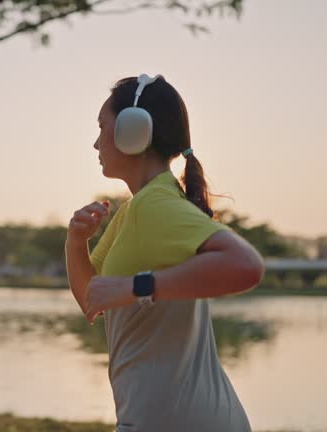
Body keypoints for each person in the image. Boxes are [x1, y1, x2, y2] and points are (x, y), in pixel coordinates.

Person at [65, 74, 264, 431]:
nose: (96, 143)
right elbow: (91, 298)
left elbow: (245, 266)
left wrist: (137, 287)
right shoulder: (135, 209)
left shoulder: (154, 204)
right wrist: (76, 243)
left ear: (133, 129)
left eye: (101, 126)